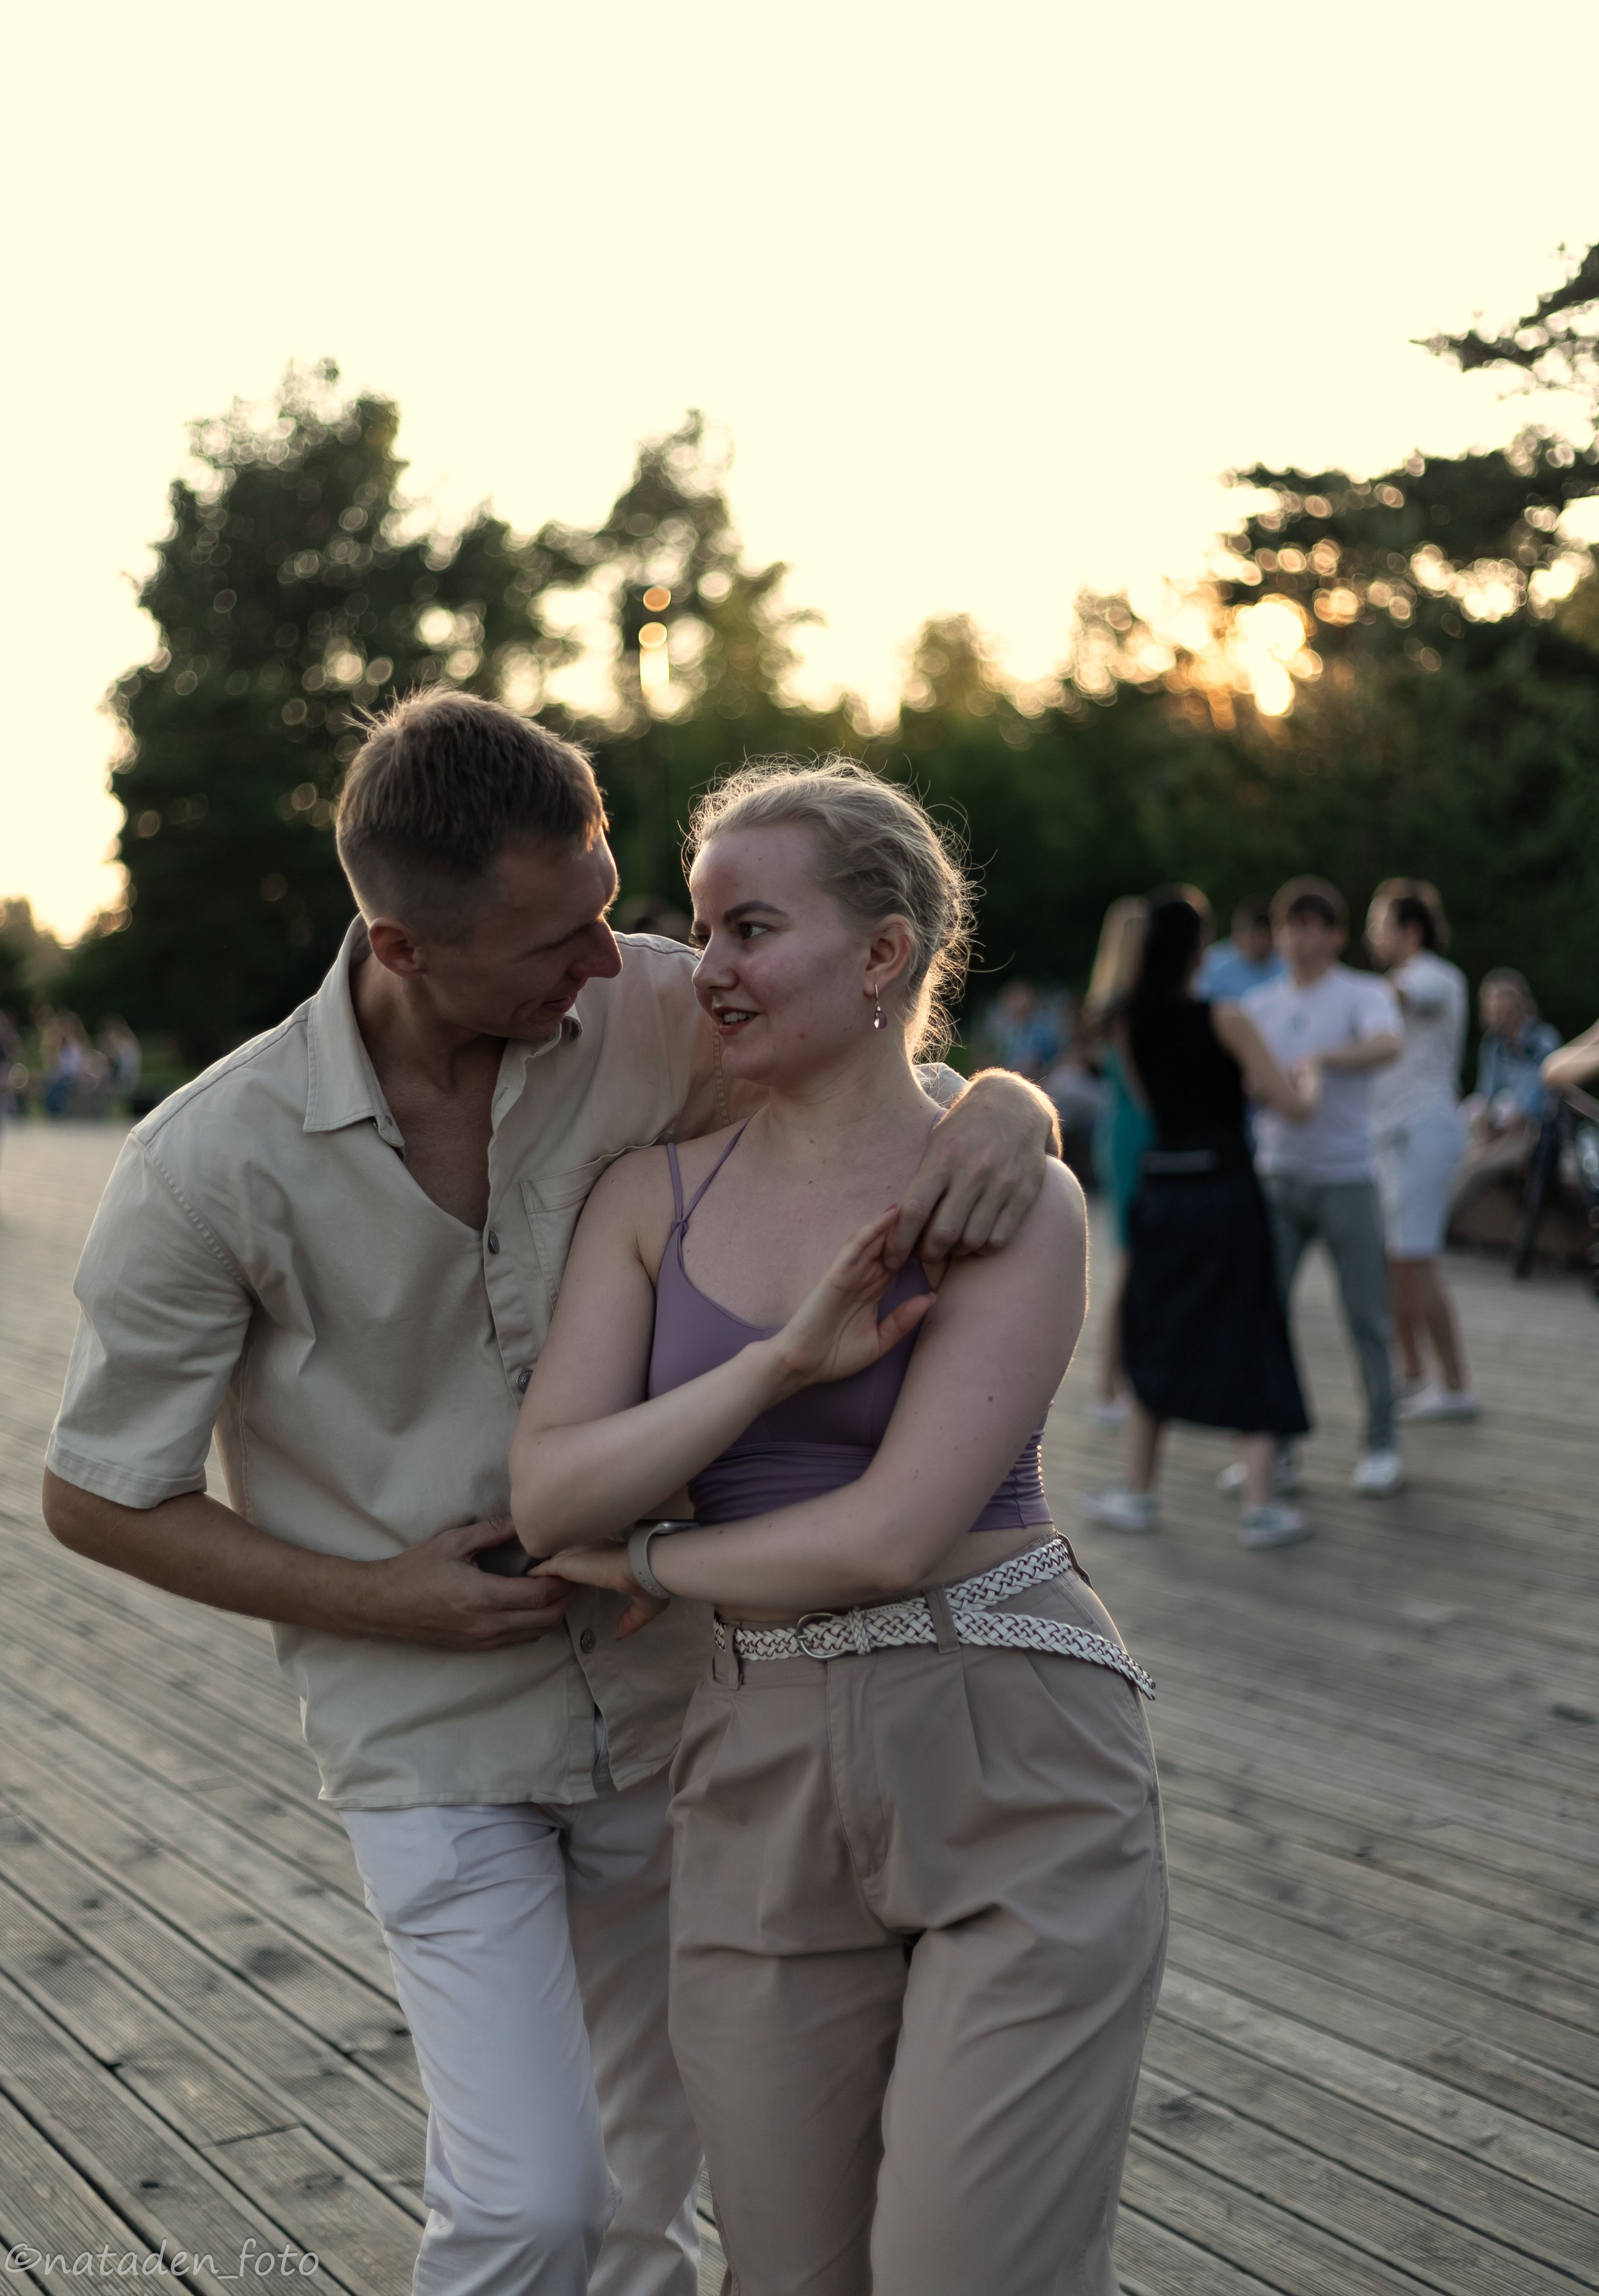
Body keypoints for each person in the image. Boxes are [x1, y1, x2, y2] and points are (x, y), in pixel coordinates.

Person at [41, 695, 1057, 2296]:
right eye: (558, 940)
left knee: (650, 2200)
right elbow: (99, 1496)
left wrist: (1012, 1102)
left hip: (681, 1707)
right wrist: (389, 1598)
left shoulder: (652, 1005)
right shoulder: (205, 1164)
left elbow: (875, 1063)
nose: (615, 956)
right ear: (401, 946)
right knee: (529, 2207)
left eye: (605, 907)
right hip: (428, 1735)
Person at [508, 760, 1164, 2296]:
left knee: (965, 2269)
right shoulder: (643, 1202)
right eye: (702, 925)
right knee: (790, 2275)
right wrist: (775, 1364)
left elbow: (884, 1534)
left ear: (882, 954)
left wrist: (646, 1560)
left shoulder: (997, 1192)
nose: (705, 967)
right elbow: (548, 1493)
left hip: (1009, 1746)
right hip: (751, 1763)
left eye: (749, 928)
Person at [1081, 893, 1318, 1546]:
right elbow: (1290, 1104)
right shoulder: (1227, 1017)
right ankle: (1261, 1505)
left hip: (1162, 1188)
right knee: (1252, 1326)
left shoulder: (1126, 1024)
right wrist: (1310, 1079)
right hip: (1225, 1189)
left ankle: (1136, 1492)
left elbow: (1156, 1103)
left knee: (1156, 1330)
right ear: (1194, 950)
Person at [1242, 879, 1405, 1496]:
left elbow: (1388, 1045)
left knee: (1365, 1315)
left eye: (1312, 925)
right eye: (1289, 925)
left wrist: (1323, 1060)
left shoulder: (1362, 993)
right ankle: (1274, 1451)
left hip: (1347, 1178)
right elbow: (1246, 1082)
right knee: (1268, 1318)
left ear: (1335, 936)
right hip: (1276, 1175)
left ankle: (1382, 1442)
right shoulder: (1259, 1003)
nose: (1298, 936)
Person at [1364, 884, 1476, 1420]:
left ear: (1410, 932)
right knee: (1394, 1264)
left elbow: (1399, 997)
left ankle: (1456, 1386)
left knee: (1417, 1260)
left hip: (1423, 1135)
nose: (1371, 937)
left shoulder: (1435, 976)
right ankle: (1413, 1374)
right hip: (1389, 1137)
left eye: (1379, 926)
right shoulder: (1398, 983)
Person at [1082, 898, 1152, 1428]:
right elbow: (1143, 1088)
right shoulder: (1130, 1007)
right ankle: (1110, 1387)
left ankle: (1116, 1384)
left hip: (1121, 1133)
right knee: (1130, 1266)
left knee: (1133, 1264)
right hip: (1137, 1137)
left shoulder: (1108, 999)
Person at [1468, 969, 1562, 1137]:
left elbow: (1540, 1095)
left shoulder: (1543, 1039)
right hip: (1501, 1122)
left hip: (1537, 1125)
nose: (1493, 1005)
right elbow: (1487, 1091)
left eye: (1500, 999)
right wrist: (1485, 1119)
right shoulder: (1492, 1043)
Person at [1195, 895, 1285, 1003]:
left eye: (1267, 935)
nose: (1262, 941)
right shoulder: (1213, 962)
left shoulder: (1284, 963)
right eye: (1257, 934)